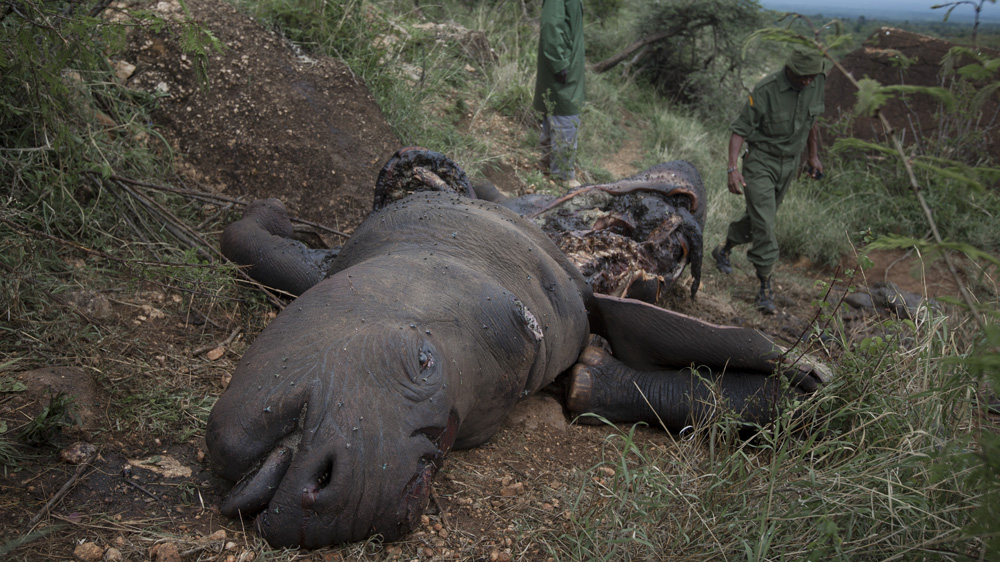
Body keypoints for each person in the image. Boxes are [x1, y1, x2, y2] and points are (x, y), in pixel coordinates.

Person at [712, 44, 829, 314]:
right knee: (765, 223)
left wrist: (813, 156)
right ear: (790, 68)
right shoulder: (766, 90)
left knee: (758, 218)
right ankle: (765, 287)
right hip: (760, 162)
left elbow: (812, 121)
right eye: (803, 76)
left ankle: (724, 248)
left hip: (789, 165)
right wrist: (732, 168)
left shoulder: (816, 81)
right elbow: (739, 131)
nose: (808, 81)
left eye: (812, 77)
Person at [533, 0, 585, 188]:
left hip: (568, 63)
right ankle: (562, 175)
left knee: (554, 110)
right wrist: (559, 62)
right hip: (563, 65)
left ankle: (546, 163)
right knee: (566, 113)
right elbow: (550, 26)